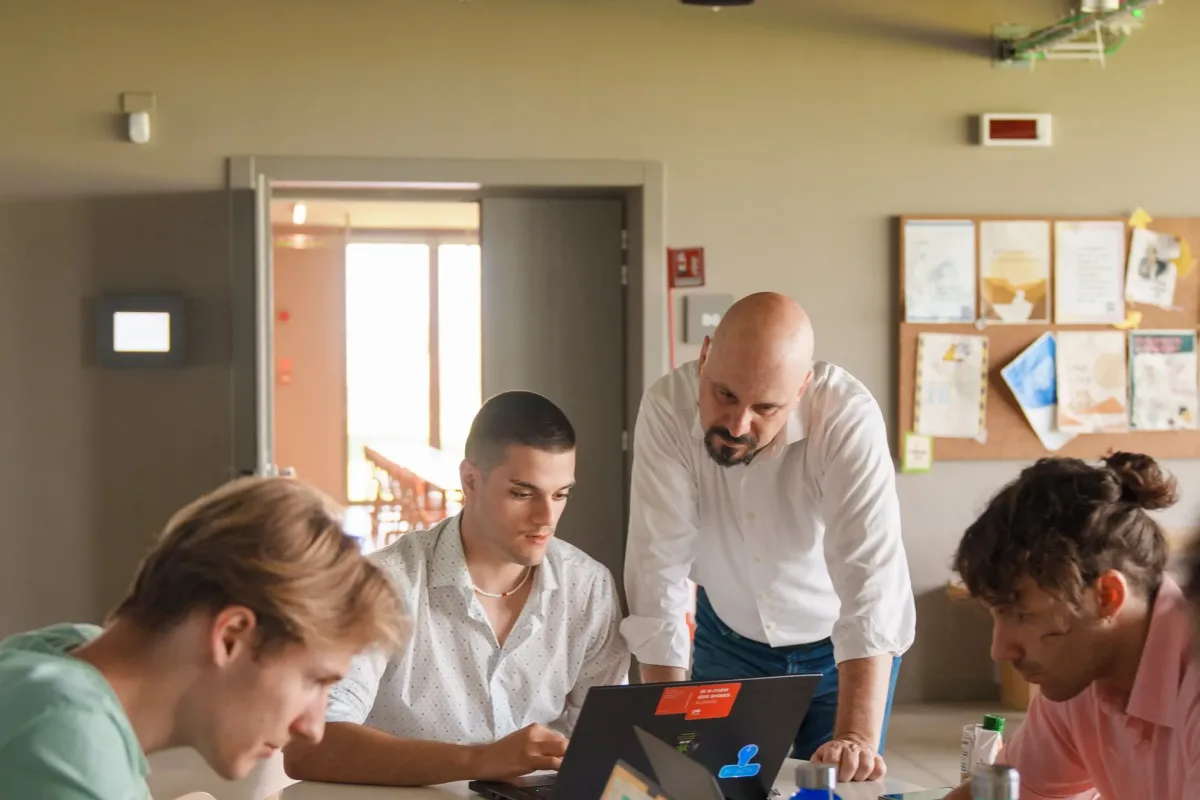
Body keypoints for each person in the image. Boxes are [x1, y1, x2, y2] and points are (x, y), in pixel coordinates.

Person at [623, 292, 915, 783]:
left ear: (802, 388)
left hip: (842, 645)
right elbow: (658, 568)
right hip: (729, 638)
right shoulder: (666, 408)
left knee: (838, 788)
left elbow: (870, 579)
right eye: (725, 395)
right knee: (707, 785)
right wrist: (666, 723)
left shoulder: (846, 416)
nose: (738, 425)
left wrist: (856, 738)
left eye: (765, 407)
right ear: (705, 355)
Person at [285, 391, 630, 787]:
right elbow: (307, 748)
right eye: (522, 493)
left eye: (560, 494)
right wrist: (480, 760)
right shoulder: (381, 584)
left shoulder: (588, 587)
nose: (545, 518)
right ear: (470, 480)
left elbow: (610, 741)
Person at [0, 477, 406, 800]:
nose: (313, 728)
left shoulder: (67, 655)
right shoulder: (63, 731)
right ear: (231, 636)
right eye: (314, 681)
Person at [945, 452, 1200, 800]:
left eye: (1022, 614)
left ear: (1107, 596)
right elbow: (1001, 795)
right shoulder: (1081, 673)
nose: (1000, 650)